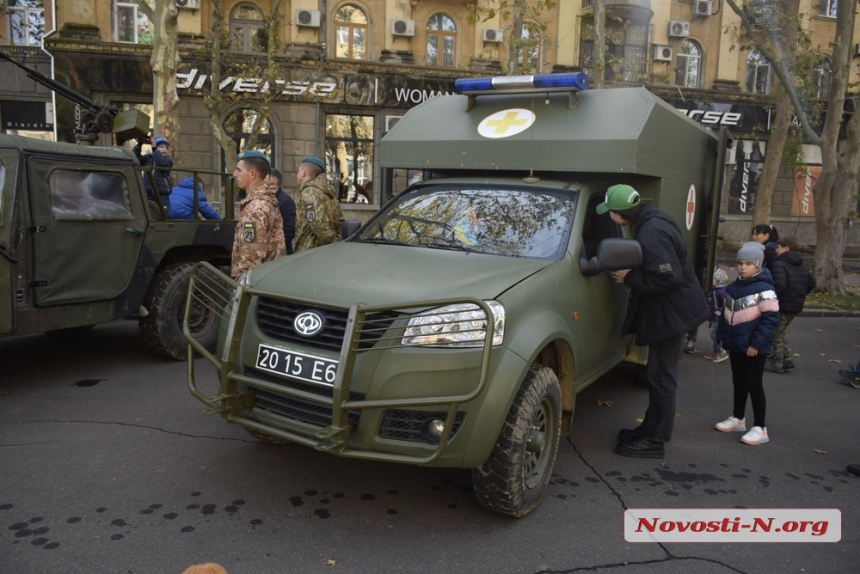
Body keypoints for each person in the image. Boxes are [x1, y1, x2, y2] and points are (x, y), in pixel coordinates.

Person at [597, 184, 708, 459]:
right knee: (660, 375)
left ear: (622, 213)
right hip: (672, 310)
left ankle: (654, 440)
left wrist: (629, 278)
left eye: (610, 212)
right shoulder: (653, 219)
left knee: (661, 378)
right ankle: (649, 429)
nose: (609, 217)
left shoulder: (652, 231)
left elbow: (669, 277)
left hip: (672, 314)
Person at [714, 242, 779, 446]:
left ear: (758, 266)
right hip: (736, 346)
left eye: (748, 263)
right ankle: (738, 418)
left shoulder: (766, 289)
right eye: (740, 263)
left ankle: (760, 427)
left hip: (753, 349)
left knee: (754, 384)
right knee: (739, 382)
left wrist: (756, 345)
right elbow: (726, 316)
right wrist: (722, 336)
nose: (742, 267)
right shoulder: (733, 288)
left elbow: (770, 320)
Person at [230, 150, 286, 279]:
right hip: (269, 280)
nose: (234, 174)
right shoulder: (265, 201)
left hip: (255, 287)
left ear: (252, 174)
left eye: (239, 170)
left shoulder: (255, 209)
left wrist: (242, 288)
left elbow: (251, 259)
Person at [769, 236, 816, 373]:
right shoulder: (800, 264)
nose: (776, 250)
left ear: (786, 248)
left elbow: (780, 285)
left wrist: (773, 298)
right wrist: (799, 294)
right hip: (796, 304)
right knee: (781, 330)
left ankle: (777, 362)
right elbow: (811, 283)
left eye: (778, 247)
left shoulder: (779, 264)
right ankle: (787, 358)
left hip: (782, 304)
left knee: (775, 332)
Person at [294, 155, 344, 252]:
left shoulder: (310, 193)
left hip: (310, 253)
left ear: (304, 173)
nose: (297, 174)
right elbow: (340, 221)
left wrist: (334, 245)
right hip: (325, 252)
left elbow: (319, 226)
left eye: (299, 171)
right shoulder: (327, 193)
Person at [133, 135, 173, 212]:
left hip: (161, 193)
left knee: (163, 214)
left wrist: (155, 148)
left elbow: (160, 163)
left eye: (166, 147)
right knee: (151, 214)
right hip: (149, 193)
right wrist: (139, 145)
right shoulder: (148, 158)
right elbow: (136, 160)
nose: (164, 149)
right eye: (161, 147)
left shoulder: (167, 160)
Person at [703, 268, 729, 362]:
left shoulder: (721, 291)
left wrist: (720, 310)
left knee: (714, 335)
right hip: (714, 317)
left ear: (718, 281)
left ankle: (721, 351)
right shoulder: (713, 290)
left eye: (712, 279)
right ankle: (716, 352)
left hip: (718, 317)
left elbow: (725, 303)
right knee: (715, 334)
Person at [268, 168, 297, 255]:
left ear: (278, 184)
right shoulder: (265, 199)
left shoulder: (286, 201)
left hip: (281, 252)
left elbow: (290, 230)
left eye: (272, 184)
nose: (269, 187)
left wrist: (273, 245)